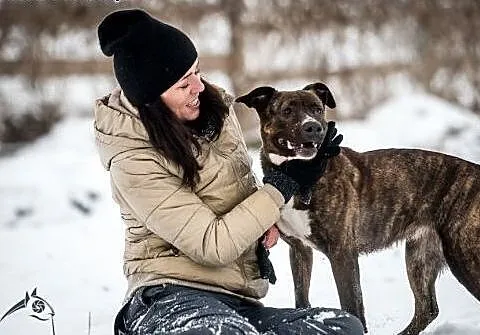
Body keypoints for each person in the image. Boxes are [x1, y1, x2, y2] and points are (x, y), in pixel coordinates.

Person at [95, 8, 364, 335]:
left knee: (342, 328)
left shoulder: (214, 112)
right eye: (183, 84)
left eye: (197, 71)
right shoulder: (132, 160)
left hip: (234, 301)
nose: (198, 87)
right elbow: (212, 244)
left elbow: (237, 193)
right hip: (168, 298)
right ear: (151, 99)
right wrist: (284, 184)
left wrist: (268, 219)